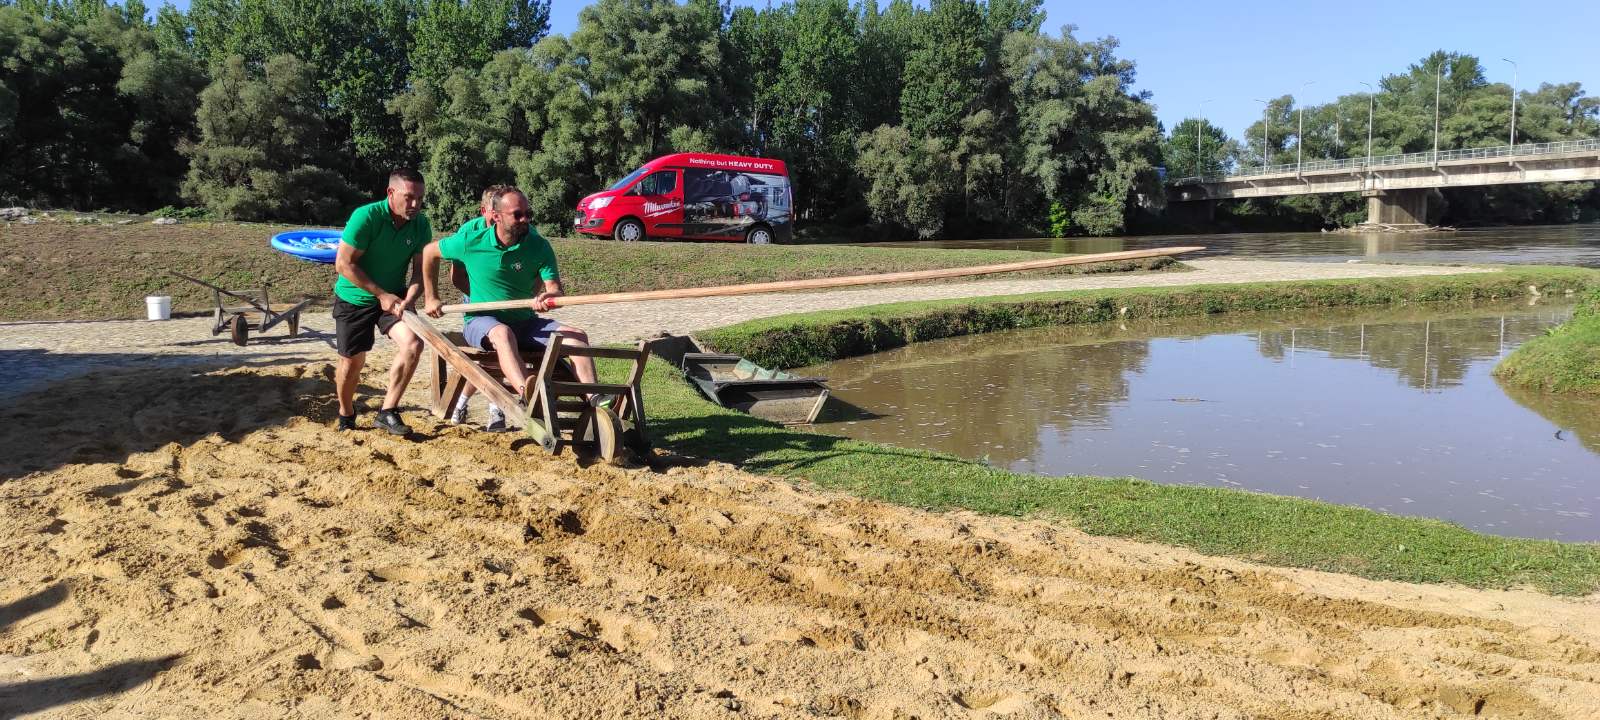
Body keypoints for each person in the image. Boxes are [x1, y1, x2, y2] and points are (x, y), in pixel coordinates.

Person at [421, 186, 599, 409]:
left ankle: (595, 401)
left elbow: (555, 289)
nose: (525, 219)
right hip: (481, 321)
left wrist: (548, 297)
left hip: (525, 322)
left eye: (528, 214)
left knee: (577, 335)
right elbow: (429, 252)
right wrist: (431, 298)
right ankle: (530, 395)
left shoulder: (539, 246)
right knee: (503, 334)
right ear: (496, 216)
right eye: (517, 214)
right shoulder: (471, 241)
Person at [331, 168, 431, 435]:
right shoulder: (366, 217)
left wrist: (410, 297)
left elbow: (421, 270)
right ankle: (346, 412)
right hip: (355, 297)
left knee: (413, 344)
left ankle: (387, 411)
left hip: (394, 297)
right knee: (352, 363)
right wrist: (381, 295)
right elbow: (343, 264)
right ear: (391, 193)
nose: (415, 205)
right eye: (409, 198)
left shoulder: (421, 224)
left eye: (420, 199)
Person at [447, 185, 513, 430]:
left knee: (502, 355)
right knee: (493, 353)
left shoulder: (514, 229)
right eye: (494, 213)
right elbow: (456, 276)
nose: (498, 218)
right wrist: (479, 297)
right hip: (477, 301)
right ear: (485, 210)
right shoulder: (469, 233)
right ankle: (495, 409)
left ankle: (462, 403)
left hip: (508, 301)